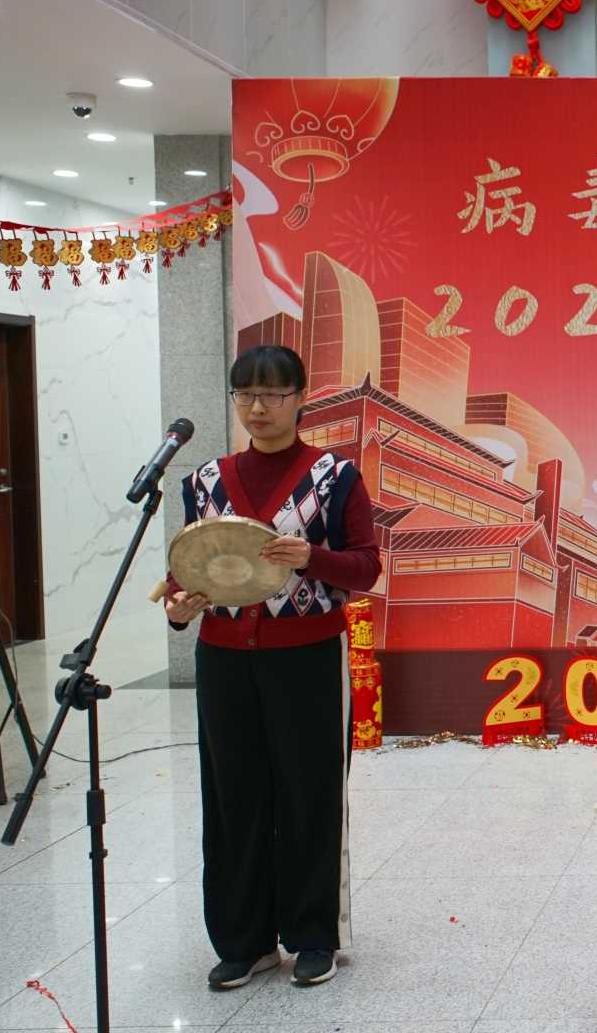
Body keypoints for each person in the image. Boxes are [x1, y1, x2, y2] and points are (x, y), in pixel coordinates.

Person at [163, 345, 380, 989]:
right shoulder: (204, 481)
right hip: (224, 660)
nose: (258, 407)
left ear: (300, 397)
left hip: (307, 657)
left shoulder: (335, 477)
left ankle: (313, 935)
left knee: (310, 794)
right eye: (245, 395)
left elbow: (366, 568)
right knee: (233, 796)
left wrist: (312, 557)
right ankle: (244, 939)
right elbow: (188, 568)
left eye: (273, 394)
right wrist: (178, 608)